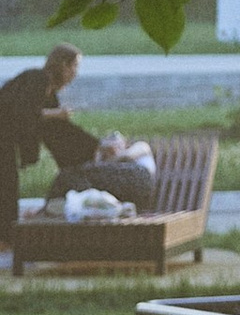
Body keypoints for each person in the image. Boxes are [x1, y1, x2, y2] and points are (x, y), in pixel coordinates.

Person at [0, 44, 148, 256]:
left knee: (7, 185)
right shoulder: (36, 79)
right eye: (74, 67)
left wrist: (96, 145)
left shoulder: (49, 94)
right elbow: (20, 112)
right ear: (62, 64)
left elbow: (61, 131)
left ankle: (6, 239)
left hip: (6, 140)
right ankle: (5, 239)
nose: (75, 74)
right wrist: (55, 114)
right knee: (6, 185)